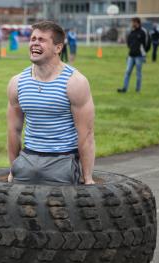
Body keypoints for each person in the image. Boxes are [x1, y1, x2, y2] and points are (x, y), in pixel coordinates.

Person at [7, 20, 95, 186]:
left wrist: (87, 177)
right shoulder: (17, 82)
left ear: (58, 48)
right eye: (33, 39)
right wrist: (13, 169)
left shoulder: (75, 82)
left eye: (41, 40)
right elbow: (13, 130)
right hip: (28, 157)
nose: (34, 43)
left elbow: (86, 134)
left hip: (63, 158)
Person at [117, 17, 150, 93]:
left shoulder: (143, 31)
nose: (132, 24)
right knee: (127, 72)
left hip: (139, 56)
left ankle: (138, 90)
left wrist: (144, 52)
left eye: (133, 22)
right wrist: (131, 48)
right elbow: (128, 42)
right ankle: (124, 89)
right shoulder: (132, 32)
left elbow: (147, 43)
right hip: (131, 55)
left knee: (138, 73)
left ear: (137, 23)